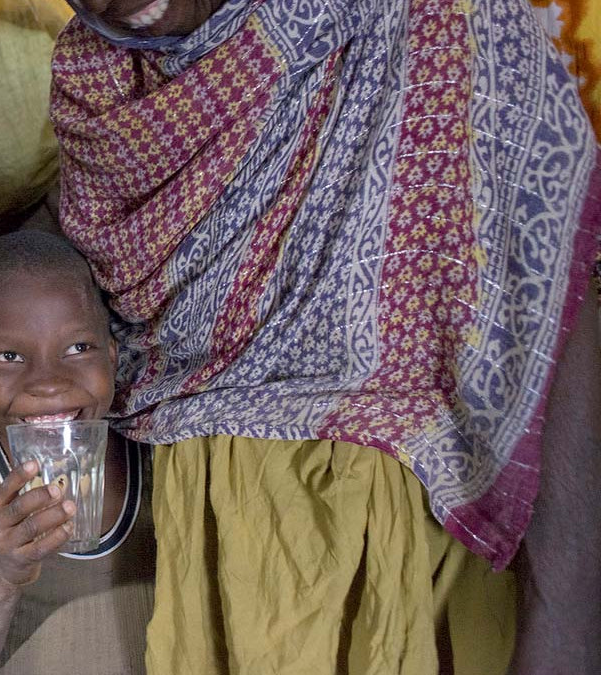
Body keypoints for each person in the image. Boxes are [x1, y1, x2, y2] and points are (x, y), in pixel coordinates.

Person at [50, 0, 601, 673]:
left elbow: (544, 304)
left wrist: (566, 612)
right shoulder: (95, 79)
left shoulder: (439, 19)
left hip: (422, 552)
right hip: (219, 545)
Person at [0, 230, 156, 674]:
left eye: (78, 348)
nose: (47, 382)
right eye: (9, 356)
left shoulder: (153, 447)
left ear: (111, 356)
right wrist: (2, 574)